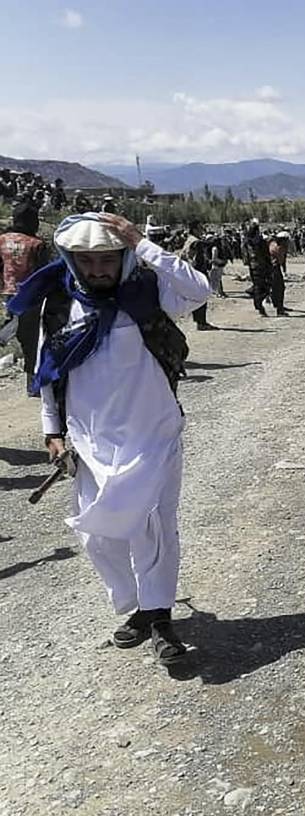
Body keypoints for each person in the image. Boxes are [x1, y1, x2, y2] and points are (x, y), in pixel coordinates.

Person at [7, 212, 210, 665]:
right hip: (90, 440)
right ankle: (137, 605)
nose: (98, 269)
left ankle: (159, 617)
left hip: (153, 432)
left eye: (107, 259)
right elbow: (49, 372)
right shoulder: (59, 304)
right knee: (100, 536)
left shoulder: (148, 293)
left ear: (124, 258)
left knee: (155, 528)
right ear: (72, 261)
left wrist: (142, 243)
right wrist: (52, 432)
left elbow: (199, 290)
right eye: (87, 261)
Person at [0, 200, 53, 390]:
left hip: (8, 293)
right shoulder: (37, 244)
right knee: (32, 339)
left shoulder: (2, 240)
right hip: (31, 296)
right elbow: (43, 272)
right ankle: (33, 384)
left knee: (18, 330)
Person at [179, 220, 218, 330]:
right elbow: (199, 260)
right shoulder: (196, 242)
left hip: (190, 272)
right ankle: (202, 322)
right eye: (200, 228)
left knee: (196, 298)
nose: (202, 230)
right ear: (195, 229)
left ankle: (199, 321)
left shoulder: (189, 240)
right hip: (198, 273)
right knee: (202, 297)